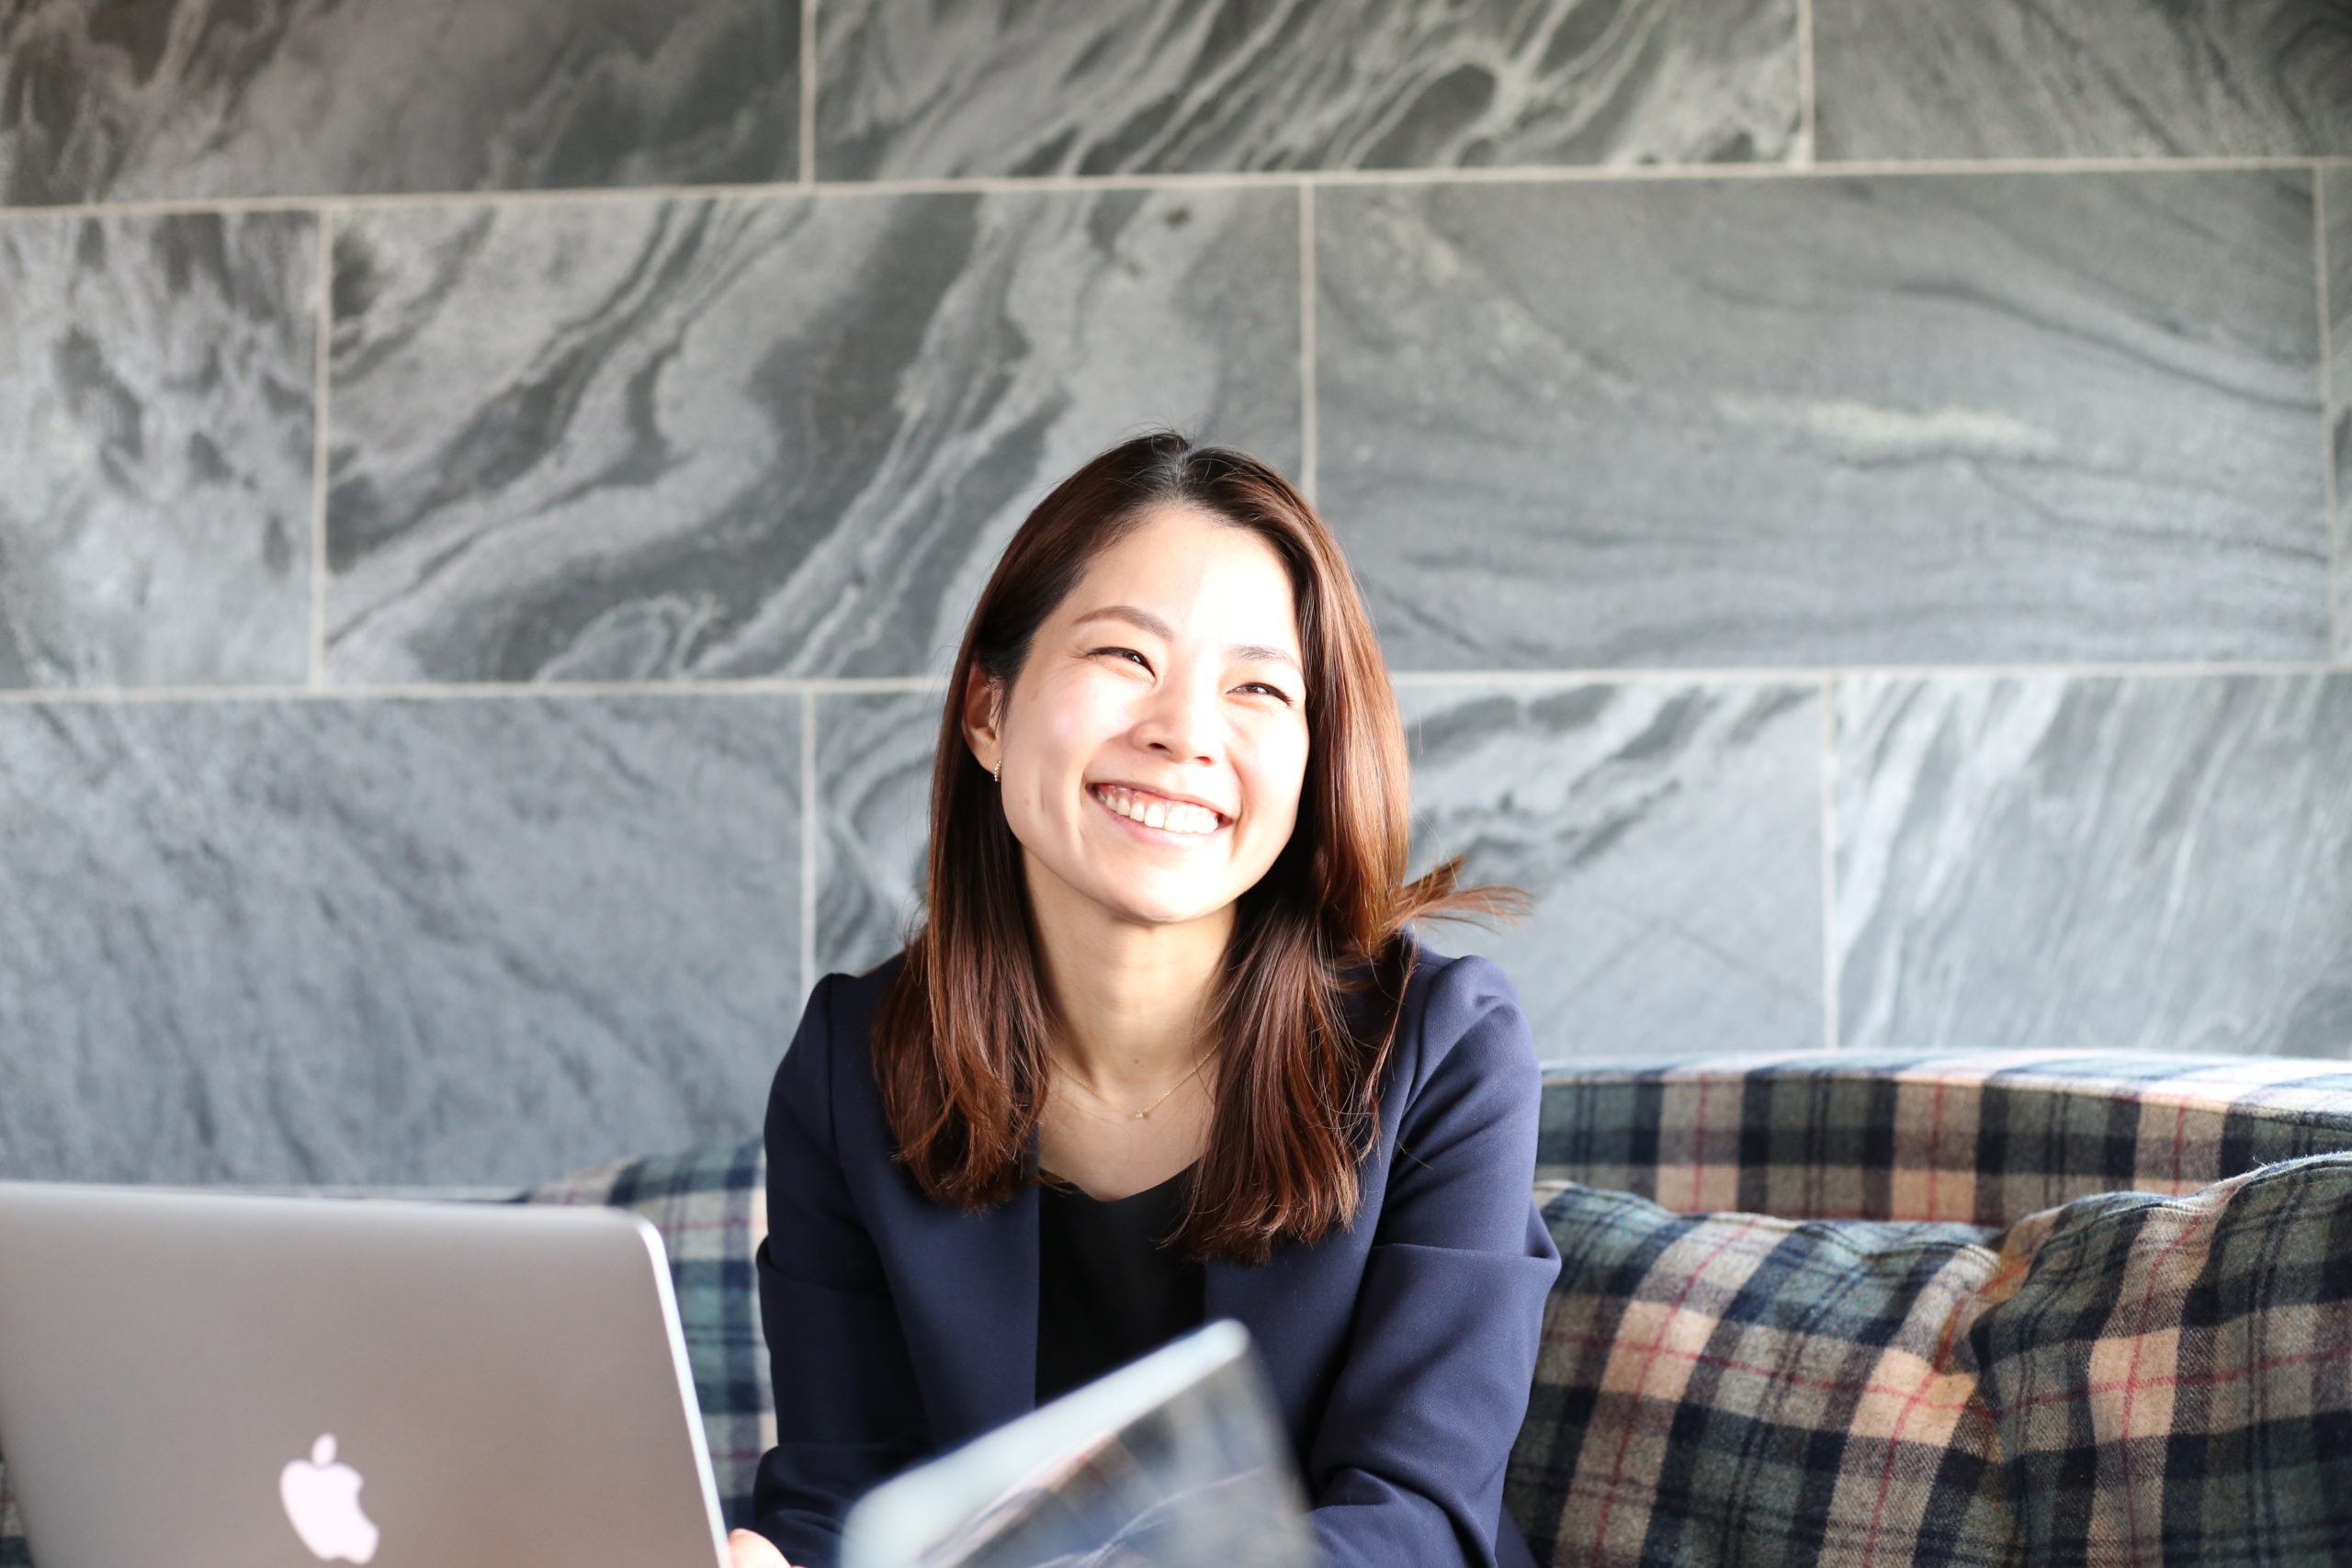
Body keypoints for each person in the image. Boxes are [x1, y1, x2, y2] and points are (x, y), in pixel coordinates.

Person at [728, 433, 1560, 1568]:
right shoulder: (853, 1063)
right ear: (987, 712)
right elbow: (840, 1498)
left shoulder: (1440, 1050)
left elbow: (1417, 1516)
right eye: (1126, 655)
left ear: (1313, 757)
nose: (1184, 732)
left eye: (1258, 687)